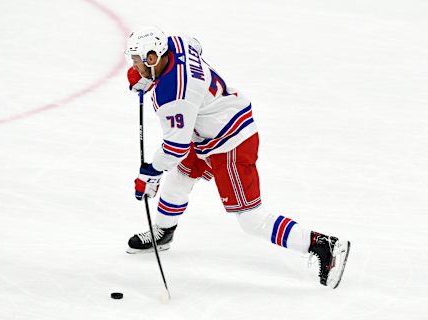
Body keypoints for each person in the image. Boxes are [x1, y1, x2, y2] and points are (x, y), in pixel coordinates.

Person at [124, 26, 350, 288]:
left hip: (229, 142)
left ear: (153, 58)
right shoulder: (175, 43)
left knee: (252, 220)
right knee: (180, 177)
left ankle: (323, 246)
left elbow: (175, 148)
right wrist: (150, 78)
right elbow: (194, 44)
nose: (135, 66)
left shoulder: (174, 95)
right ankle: (163, 232)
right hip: (208, 128)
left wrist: (150, 172)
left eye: (139, 61)